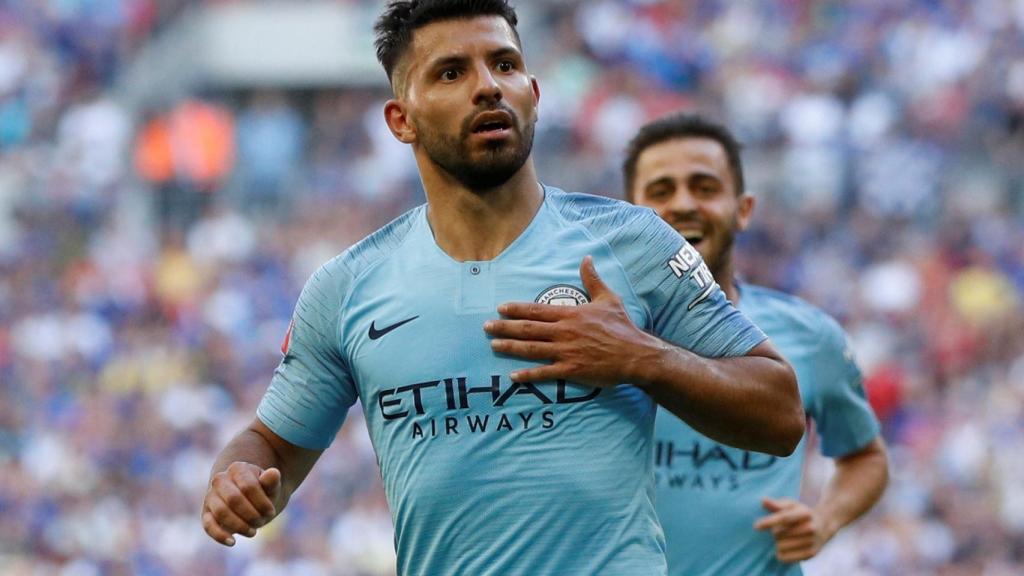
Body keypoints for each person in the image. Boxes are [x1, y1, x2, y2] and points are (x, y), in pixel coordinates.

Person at [200, 3, 804, 574]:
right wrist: (238, 480)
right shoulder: (348, 286)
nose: (487, 85)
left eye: (505, 64)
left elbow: (779, 414)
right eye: (451, 72)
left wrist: (640, 358)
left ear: (534, 95)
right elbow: (270, 446)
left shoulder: (632, 242)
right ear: (400, 119)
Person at [623, 112, 889, 575]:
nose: (683, 204)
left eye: (704, 187)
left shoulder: (808, 335)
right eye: (661, 191)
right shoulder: (594, 334)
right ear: (628, 214)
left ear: (743, 208)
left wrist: (824, 521)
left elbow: (865, 456)